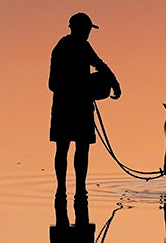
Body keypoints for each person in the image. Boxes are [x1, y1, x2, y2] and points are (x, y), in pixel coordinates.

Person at [49, 12, 121, 205]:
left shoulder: (82, 47)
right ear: (80, 30)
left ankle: (77, 189)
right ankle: (63, 189)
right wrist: (82, 87)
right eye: (88, 29)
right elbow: (52, 83)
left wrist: (114, 83)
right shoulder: (63, 48)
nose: (89, 33)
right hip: (69, 107)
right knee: (65, 148)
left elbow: (100, 65)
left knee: (78, 148)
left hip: (71, 106)